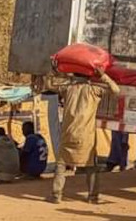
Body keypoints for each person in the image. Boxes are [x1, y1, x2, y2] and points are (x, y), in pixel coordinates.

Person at [49, 68, 118, 204]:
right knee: (91, 166)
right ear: (89, 76)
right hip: (86, 135)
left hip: (68, 133)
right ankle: (92, 197)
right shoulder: (94, 90)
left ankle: (56, 195)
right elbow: (115, 90)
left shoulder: (68, 89)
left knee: (61, 165)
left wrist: (52, 73)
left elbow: (49, 86)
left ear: (74, 75)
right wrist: (103, 76)